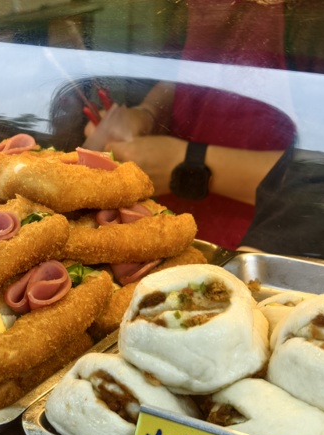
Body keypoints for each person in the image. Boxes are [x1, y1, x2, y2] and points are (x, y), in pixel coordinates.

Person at [81, 0, 296, 251]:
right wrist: (148, 114)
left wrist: (187, 165)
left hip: (264, 240)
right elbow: (191, 71)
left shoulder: (315, 20)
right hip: (176, 226)